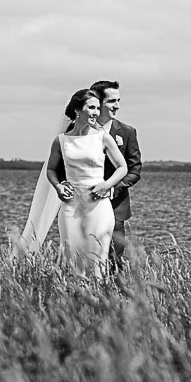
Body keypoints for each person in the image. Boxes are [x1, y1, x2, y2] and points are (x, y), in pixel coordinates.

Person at [56, 80, 142, 269]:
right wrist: (63, 185)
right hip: (78, 205)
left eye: (118, 101)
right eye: (112, 101)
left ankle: (112, 297)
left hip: (114, 206)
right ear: (97, 102)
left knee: (113, 260)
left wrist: (110, 188)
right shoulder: (70, 134)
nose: (117, 106)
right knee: (76, 257)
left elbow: (134, 170)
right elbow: (62, 167)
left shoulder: (126, 132)